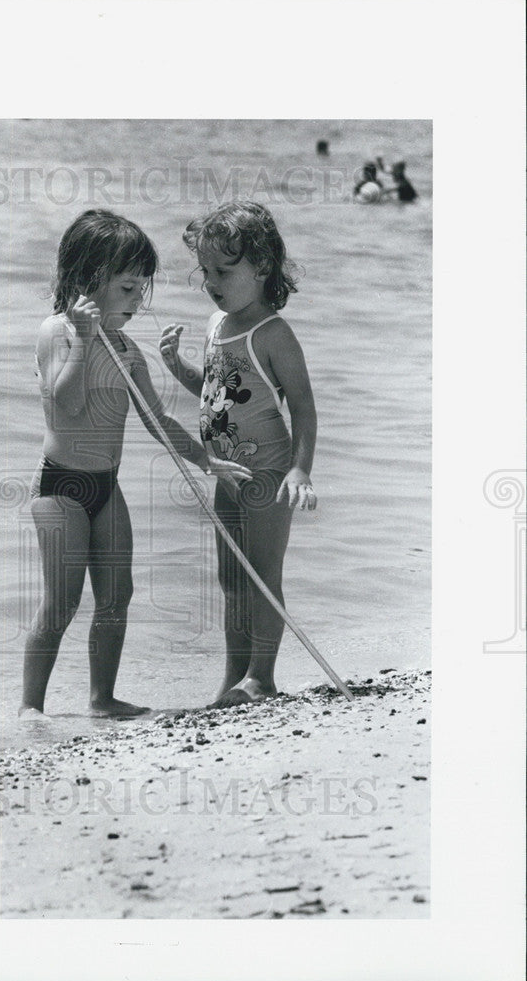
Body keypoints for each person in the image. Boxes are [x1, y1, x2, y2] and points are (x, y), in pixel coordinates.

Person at [20, 209, 251, 719]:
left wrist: (207, 462)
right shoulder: (56, 332)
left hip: (107, 485)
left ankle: (101, 698)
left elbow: (157, 420)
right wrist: (83, 341)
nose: (137, 302)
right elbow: (65, 406)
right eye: (127, 289)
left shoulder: (126, 348)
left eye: (141, 290)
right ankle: (30, 706)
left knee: (117, 595)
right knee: (61, 602)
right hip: (61, 487)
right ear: (87, 282)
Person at [159, 201, 318, 707]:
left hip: (269, 474)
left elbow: (304, 407)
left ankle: (263, 677)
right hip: (226, 474)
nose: (211, 281)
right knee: (232, 578)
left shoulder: (273, 334)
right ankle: (235, 676)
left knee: (263, 574)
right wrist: (177, 365)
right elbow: (213, 392)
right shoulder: (215, 324)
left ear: (263, 267)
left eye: (223, 271)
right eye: (205, 271)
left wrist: (299, 468)